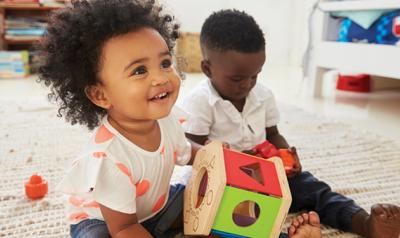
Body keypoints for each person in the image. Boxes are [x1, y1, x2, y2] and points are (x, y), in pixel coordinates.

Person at [181, 9, 400, 238]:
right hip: (221, 184)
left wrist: (285, 153)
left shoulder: (263, 96)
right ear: (207, 69)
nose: (247, 84)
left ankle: (364, 222)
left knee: (313, 189)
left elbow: (273, 134)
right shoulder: (200, 102)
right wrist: (231, 159)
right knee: (234, 219)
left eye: (255, 75)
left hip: (264, 174)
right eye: (237, 78)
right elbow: (192, 152)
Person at [39, 0, 192, 237]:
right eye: (139, 70)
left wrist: (213, 155)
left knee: (201, 195)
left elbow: (186, 151)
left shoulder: (166, 118)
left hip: (154, 208)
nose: (161, 78)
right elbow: (124, 227)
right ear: (101, 95)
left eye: (164, 63)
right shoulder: (108, 158)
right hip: (105, 222)